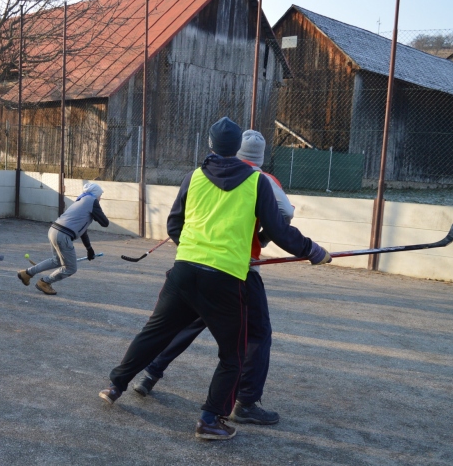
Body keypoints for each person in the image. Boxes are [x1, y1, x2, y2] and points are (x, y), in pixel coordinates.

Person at [98, 117, 331, 441]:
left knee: (154, 332)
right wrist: (313, 250)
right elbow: (279, 230)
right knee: (233, 353)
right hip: (224, 279)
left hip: (183, 272)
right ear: (238, 149)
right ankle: (209, 420)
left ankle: (115, 385)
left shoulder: (193, 177)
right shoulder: (257, 181)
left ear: (209, 144)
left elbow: (174, 224)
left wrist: (193, 249)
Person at [130, 129, 295, 426]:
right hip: (238, 269)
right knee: (256, 334)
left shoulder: (206, 173)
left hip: (198, 266)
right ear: (261, 156)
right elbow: (285, 211)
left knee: (187, 322)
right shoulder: (263, 180)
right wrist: (263, 238)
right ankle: (244, 402)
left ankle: (150, 373)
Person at [17, 182, 109, 295]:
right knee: (71, 268)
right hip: (63, 235)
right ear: (96, 194)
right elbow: (105, 223)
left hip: (54, 230)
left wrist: (89, 248)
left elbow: (83, 231)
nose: (100, 198)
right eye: (100, 195)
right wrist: (96, 214)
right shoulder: (91, 201)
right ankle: (45, 282)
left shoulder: (81, 201)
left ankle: (26, 273)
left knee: (56, 261)